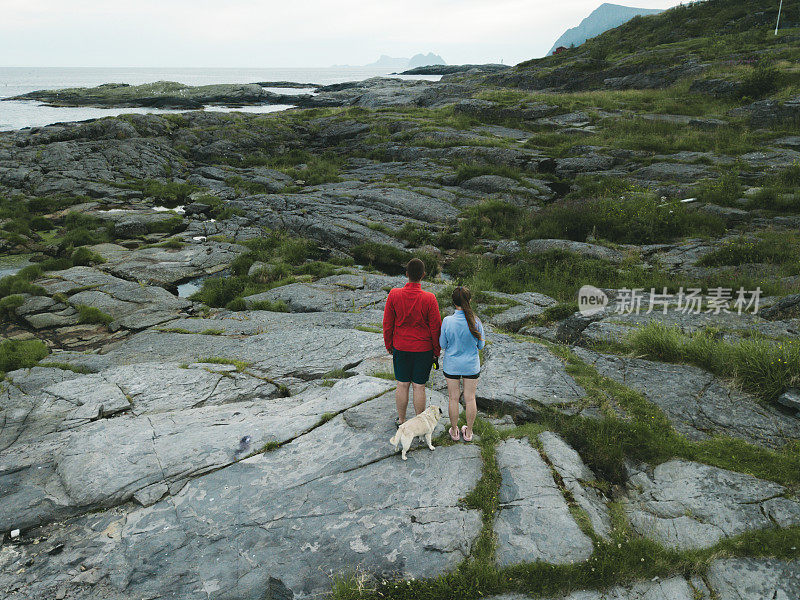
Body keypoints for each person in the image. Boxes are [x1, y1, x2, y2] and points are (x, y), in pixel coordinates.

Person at [383, 258, 442, 425]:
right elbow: (435, 328)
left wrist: (389, 344)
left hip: (401, 347)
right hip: (423, 350)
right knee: (419, 386)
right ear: (423, 275)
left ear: (406, 274)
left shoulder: (394, 294)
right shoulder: (430, 298)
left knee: (402, 385)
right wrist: (436, 352)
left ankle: (402, 420)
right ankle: (419, 423)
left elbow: (387, 323)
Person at [438, 286, 485, 442]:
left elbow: (442, 344)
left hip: (452, 364)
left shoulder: (447, 321)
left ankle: (454, 430)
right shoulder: (476, 321)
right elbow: (480, 346)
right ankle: (469, 432)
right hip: (471, 365)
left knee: (453, 398)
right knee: (470, 398)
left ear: (453, 302)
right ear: (469, 301)